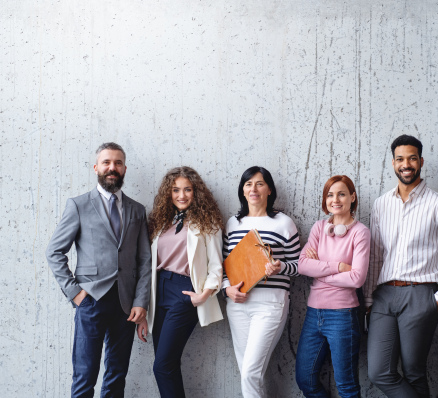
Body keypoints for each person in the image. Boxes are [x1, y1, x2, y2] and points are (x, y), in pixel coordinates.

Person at [46, 142, 152, 397]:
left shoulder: (137, 210)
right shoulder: (79, 205)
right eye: (106, 162)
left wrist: (141, 302)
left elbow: (144, 260)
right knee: (85, 375)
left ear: (124, 169)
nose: (111, 168)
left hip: (126, 303)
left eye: (117, 163)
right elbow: (54, 252)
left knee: (116, 376)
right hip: (90, 300)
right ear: (96, 167)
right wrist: (76, 294)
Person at [364, 134, 438, 398]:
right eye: (400, 159)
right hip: (383, 296)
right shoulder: (381, 204)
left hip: (421, 294)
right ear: (393, 163)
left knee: (414, 371)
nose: (405, 164)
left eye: (411, 158)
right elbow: (375, 255)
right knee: (379, 372)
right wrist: (368, 299)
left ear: (421, 161)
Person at [137, 166, 224, 397]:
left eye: (187, 190)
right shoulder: (159, 220)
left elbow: (216, 265)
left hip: (184, 293)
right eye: (176, 190)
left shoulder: (208, 222)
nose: (181, 195)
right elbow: (147, 265)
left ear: (196, 192)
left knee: (162, 366)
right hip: (158, 290)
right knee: (168, 364)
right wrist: (144, 309)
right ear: (169, 193)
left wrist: (204, 294)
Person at [223, 166, 301, 398]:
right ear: (242, 190)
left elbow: (299, 266)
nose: (253, 189)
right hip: (237, 305)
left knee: (250, 372)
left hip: (271, 305)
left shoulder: (284, 223)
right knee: (247, 372)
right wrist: (227, 289)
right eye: (248, 184)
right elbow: (224, 266)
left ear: (269, 190)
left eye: (259, 184)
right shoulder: (232, 224)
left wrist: (280, 267)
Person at [296, 175, 370, 398]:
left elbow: (357, 278)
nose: (335, 199)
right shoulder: (319, 228)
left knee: (346, 386)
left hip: (343, 315)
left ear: (352, 197)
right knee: (305, 380)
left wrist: (319, 273)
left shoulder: (360, 232)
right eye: (330, 195)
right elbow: (302, 265)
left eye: (341, 194)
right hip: (313, 314)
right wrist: (337, 266)